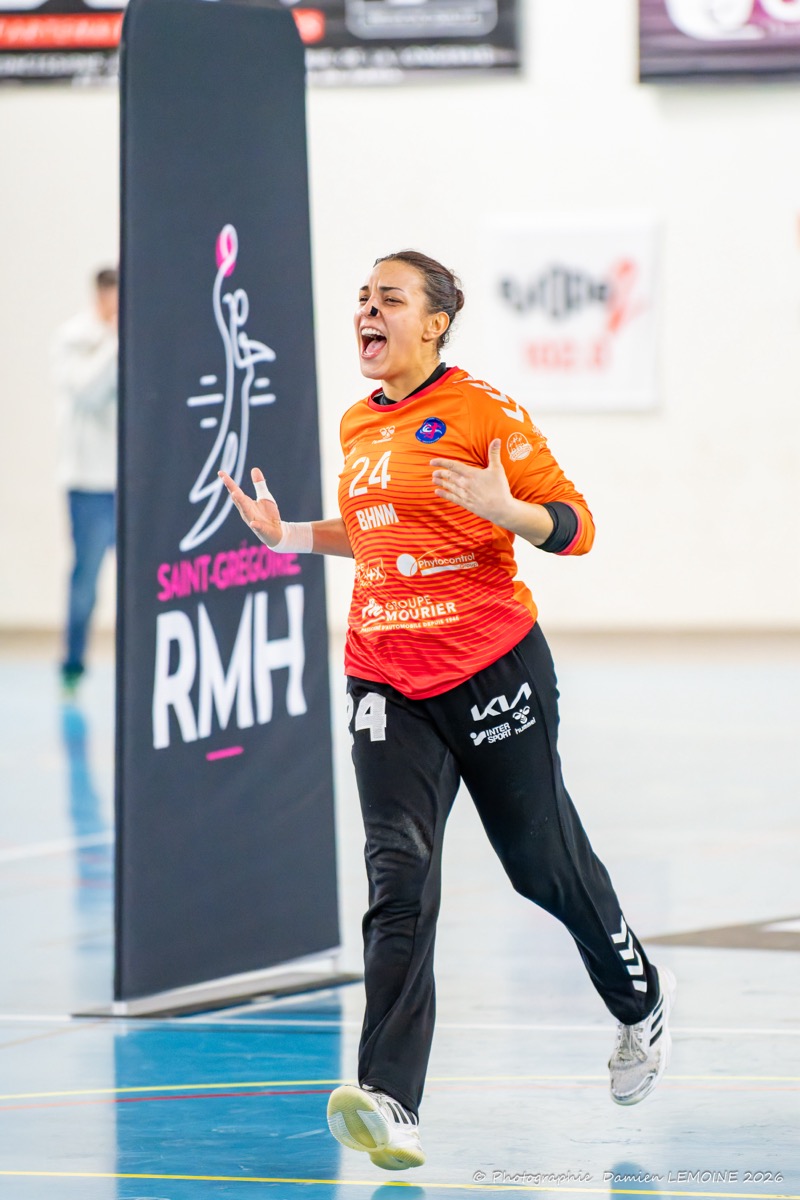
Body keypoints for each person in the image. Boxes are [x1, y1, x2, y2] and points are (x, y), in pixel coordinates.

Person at [220, 250, 676, 1172]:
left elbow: (576, 526)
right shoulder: (358, 422)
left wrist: (510, 510)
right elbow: (379, 534)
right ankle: (391, 1102)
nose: (368, 310)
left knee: (542, 867)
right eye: (363, 298)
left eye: (389, 299)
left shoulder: (484, 412)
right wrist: (290, 535)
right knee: (399, 879)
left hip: (490, 667)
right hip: (385, 678)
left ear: (434, 324)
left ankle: (640, 1001)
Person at [52, 267, 119, 696]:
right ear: (101, 296)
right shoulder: (73, 338)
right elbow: (87, 393)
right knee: (86, 583)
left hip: (126, 484)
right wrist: (114, 341)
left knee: (143, 583)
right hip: (88, 485)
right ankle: (73, 668)